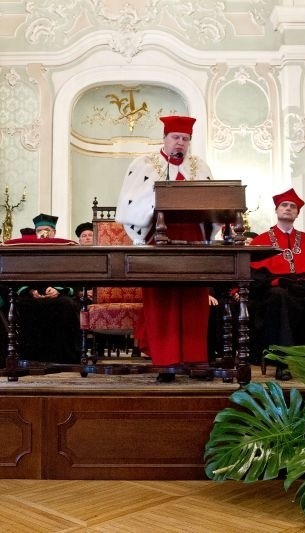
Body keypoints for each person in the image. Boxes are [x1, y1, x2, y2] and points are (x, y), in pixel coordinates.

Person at [115, 115, 213, 381]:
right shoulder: (145, 164)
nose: (180, 143)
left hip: (192, 239)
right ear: (165, 138)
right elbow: (130, 202)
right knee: (162, 302)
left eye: (185, 139)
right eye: (176, 137)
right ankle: (166, 363)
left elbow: (213, 198)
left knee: (194, 301)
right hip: (157, 239)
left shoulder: (199, 166)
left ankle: (195, 360)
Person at [248, 188, 305, 380]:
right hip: (276, 291)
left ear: (297, 213)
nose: (288, 209)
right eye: (284, 205)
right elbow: (256, 278)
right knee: (279, 296)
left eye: (292, 206)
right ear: (277, 210)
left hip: (304, 290)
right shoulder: (261, 240)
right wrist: (279, 281)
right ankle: (282, 362)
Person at [8, 214, 81, 364]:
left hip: (59, 295)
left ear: (54, 232)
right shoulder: (27, 252)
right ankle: (30, 356)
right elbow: (19, 276)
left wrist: (58, 289)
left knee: (66, 306)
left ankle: (65, 357)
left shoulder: (65, 250)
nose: (43, 233)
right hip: (32, 295)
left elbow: (74, 278)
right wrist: (30, 290)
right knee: (22, 305)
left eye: (47, 230)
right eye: (39, 230)